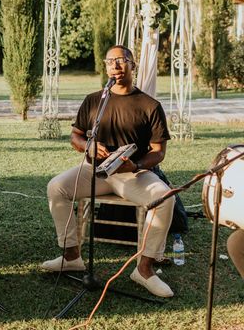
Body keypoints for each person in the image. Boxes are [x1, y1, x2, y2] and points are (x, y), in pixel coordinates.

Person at [42, 45, 176, 298]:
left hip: (132, 174)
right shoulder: (95, 100)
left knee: (165, 197)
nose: (115, 65)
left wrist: (135, 165)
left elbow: (158, 152)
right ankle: (71, 256)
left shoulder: (150, 105)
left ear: (133, 65)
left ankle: (144, 269)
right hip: (95, 171)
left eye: (122, 60)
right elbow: (76, 137)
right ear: (105, 67)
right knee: (56, 187)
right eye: (110, 61)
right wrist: (88, 145)